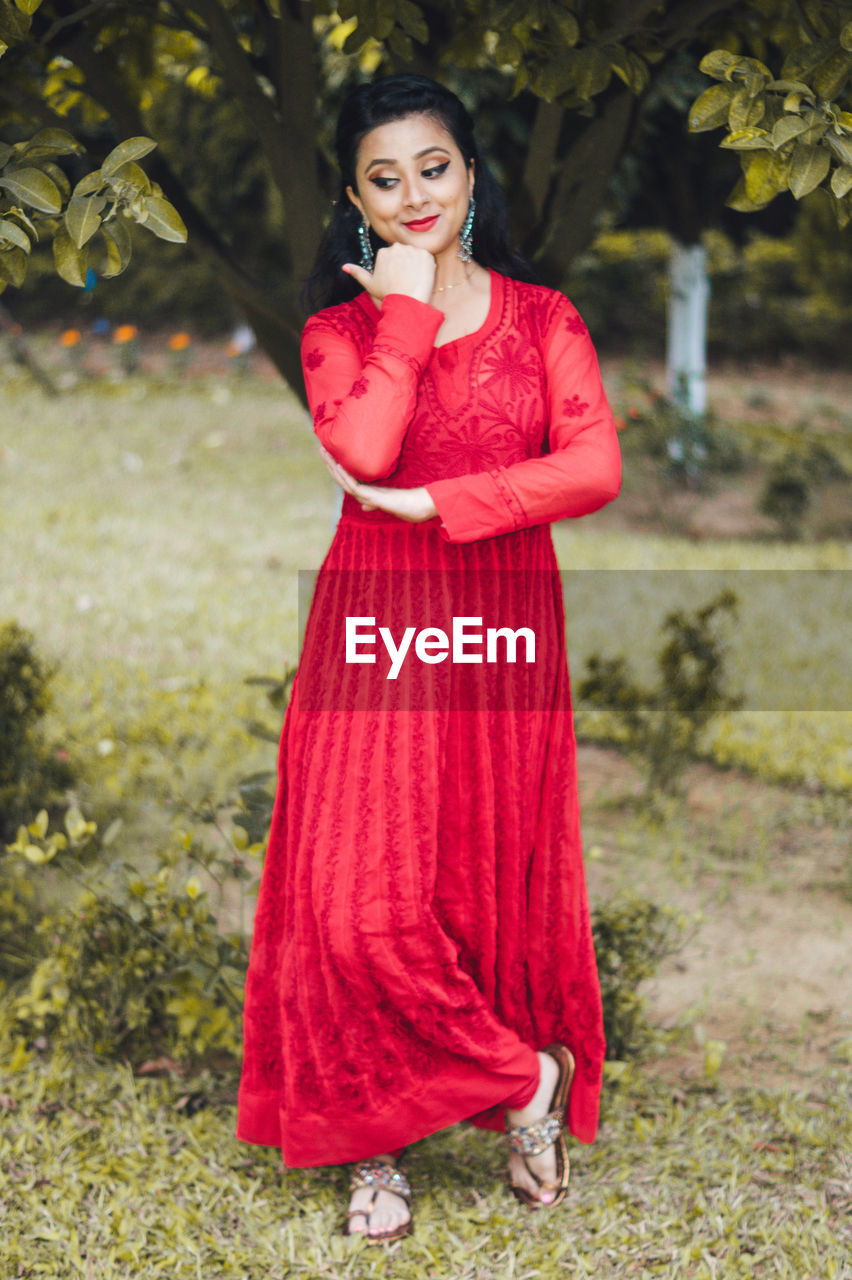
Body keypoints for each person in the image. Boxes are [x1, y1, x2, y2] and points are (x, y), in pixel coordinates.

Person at [235, 73, 622, 1244]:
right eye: (385, 178)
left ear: (471, 173)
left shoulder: (543, 318)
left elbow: (594, 466)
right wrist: (402, 312)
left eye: (434, 167)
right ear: (354, 201)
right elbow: (362, 446)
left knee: (472, 886)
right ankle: (519, 1082)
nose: (415, 194)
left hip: (500, 629)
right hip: (375, 629)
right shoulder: (338, 332)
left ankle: (412, 1140)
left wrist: (440, 504)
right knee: (359, 907)